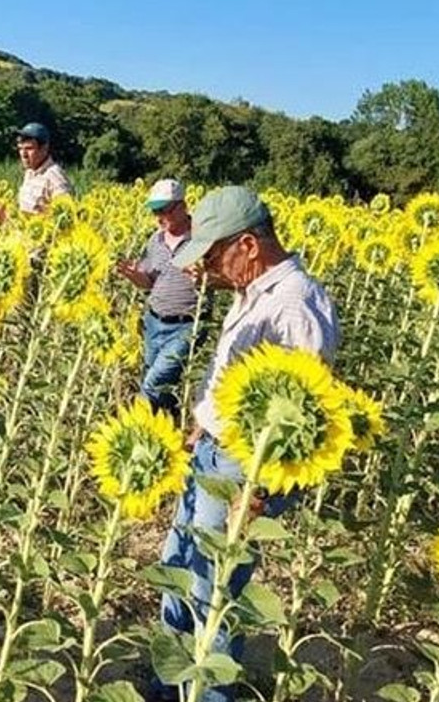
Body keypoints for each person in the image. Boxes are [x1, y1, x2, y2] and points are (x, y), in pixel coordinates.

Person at [150, 186, 340, 702]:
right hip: (213, 451)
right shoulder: (252, 292)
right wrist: (200, 426)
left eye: (213, 256)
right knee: (179, 568)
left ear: (249, 245)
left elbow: (305, 410)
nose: (207, 269)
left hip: (244, 468)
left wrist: (262, 492)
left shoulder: (295, 304)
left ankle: (207, 694)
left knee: (214, 592)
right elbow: (234, 379)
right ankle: (169, 685)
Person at [116, 179, 203, 417]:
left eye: (163, 210)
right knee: (161, 389)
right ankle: (169, 429)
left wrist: (206, 276)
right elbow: (149, 281)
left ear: (181, 206)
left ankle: (135, 425)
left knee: (154, 382)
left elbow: (224, 277)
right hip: (154, 322)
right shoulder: (155, 240)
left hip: (186, 326)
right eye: (155, 211)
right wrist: (135, 276)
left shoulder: (203, 239)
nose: (158, 217)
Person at [15, 122, 74, 214]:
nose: (23, 154)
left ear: (44, 148)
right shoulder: (29, 173)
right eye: (20, 148)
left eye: (29, 148)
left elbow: (66, 214)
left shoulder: (55, 177)